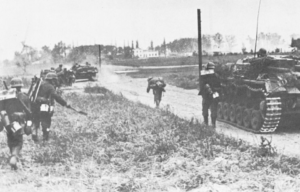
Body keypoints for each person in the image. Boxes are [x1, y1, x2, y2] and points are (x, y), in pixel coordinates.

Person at [0, 77, 32, 170]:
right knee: (19, 141)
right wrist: (29, 124)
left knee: (10, 139)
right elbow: (29, 112)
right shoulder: (25, 97)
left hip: (7, 122)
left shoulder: (4, 97)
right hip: (19, 122)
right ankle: (14, 157)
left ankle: (13, 156)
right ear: (21, 86)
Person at [31, 72, 70, 142]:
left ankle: (35, 134)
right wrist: (65, 103)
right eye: (55, 80)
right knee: (46, 121)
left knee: (35, 120)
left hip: (34, 105)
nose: (55, 81)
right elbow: (56, 96)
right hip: (44, 106)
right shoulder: (50, 86)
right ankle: (45, 137)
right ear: (52, 80)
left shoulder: (38, 84)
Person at [199, 62, 221, 128]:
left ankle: (207, 123)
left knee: (206, 109)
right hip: (213, 95)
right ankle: (213, 124)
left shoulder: (205, 75)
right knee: (213, 109)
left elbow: (202, 85)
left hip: (207, 95)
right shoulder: (216, 76)